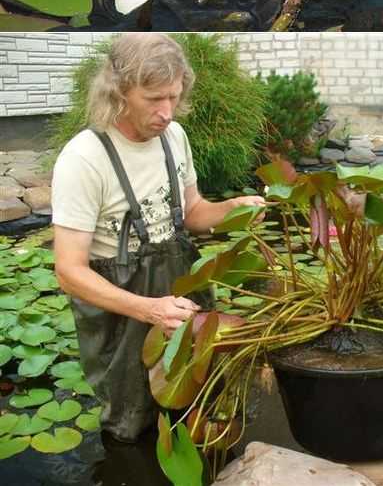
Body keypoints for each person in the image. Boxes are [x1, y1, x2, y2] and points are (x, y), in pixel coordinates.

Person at [51, 32, 265, 443]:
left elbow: (192, 214)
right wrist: (149, 310)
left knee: (198, 399)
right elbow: (69, 271)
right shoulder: (84, 159)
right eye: (154, 99)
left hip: (183, 293)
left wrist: (232, 209)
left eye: (173, 96)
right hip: (123, 312)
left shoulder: (174, 138)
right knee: (132, 428)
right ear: (119, 91)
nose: (166, 112)